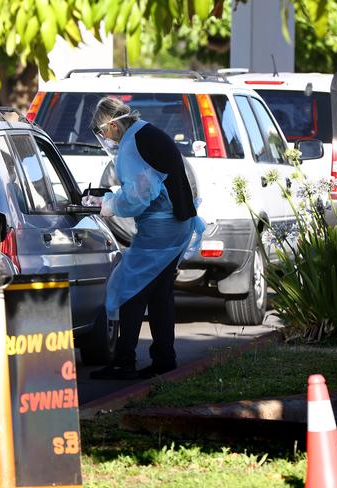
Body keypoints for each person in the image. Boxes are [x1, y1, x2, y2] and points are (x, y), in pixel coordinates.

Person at [88, 97, 205, 380]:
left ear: (113, 125)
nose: (105, 139)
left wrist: (109, 205)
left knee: (128, 287)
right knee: (160, 294)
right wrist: (114, 198)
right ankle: (164, 359)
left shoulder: (129, 148)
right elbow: (153, 182)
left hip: (161, 228)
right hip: (180, 223)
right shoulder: (147, 131)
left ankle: (124, 360)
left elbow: (138, 196)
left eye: (102, 133)